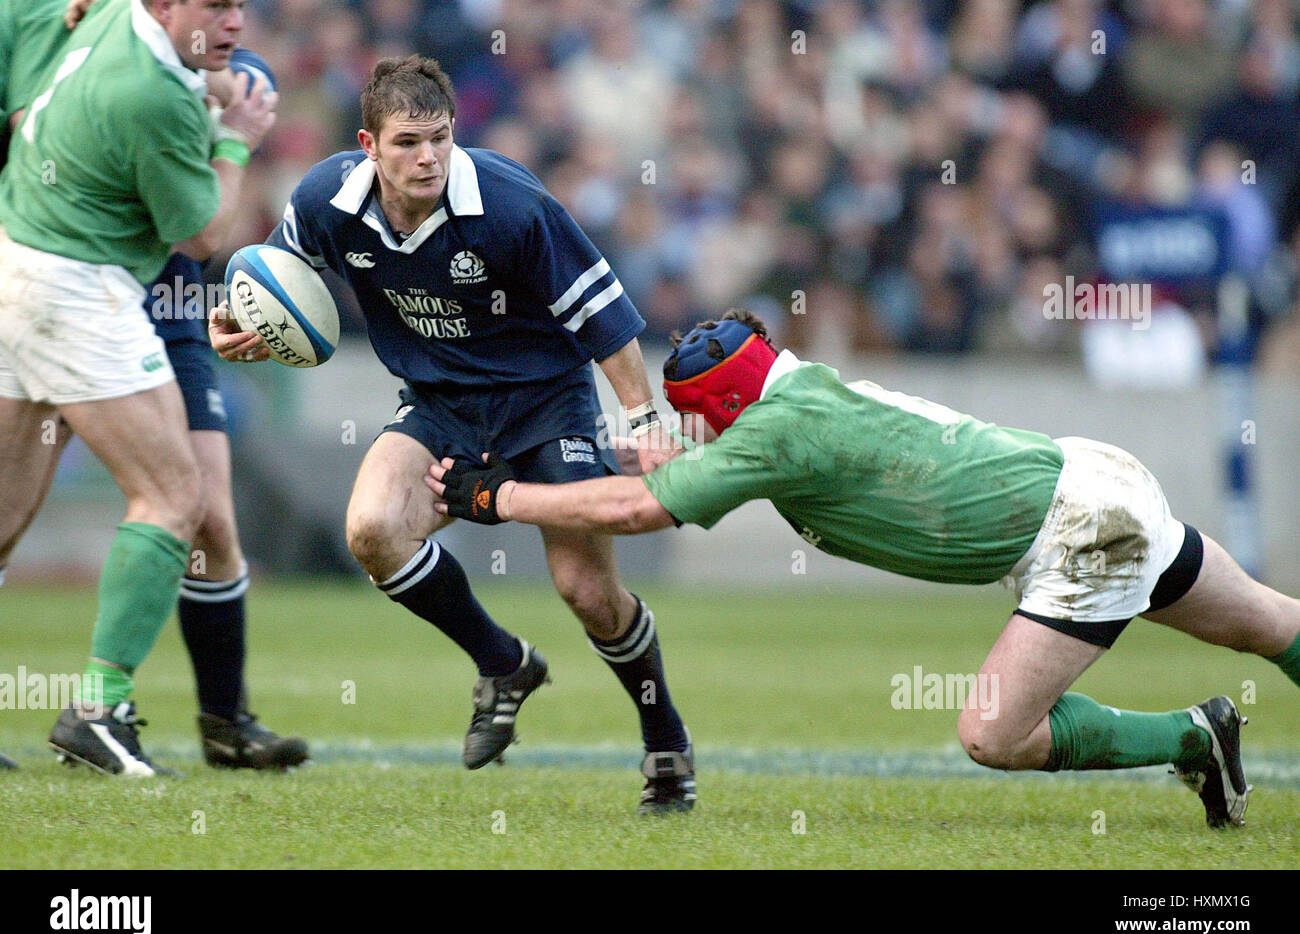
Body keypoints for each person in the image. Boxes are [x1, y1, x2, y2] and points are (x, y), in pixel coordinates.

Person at [430, 309, 1300, 829]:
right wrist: (647, 462)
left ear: (727, 407)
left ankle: (1193, 735)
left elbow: (637, 511)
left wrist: (497, 498)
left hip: (1076, 535)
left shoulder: (773, 434)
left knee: (992, 733)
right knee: (1269, 621)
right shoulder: (800, 387)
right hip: (1093, 478)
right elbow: (674, 481)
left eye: (702, 422)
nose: (701, 439)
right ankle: (1205, 736)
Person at [208, 55, 695, 812]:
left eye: (438, 138)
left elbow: (605, 314)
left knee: (587, 590)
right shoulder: (323, 200)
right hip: (439, 404)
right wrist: (245, 321)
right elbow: (280, 277)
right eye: (407, 142)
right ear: (368, 146)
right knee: (371, 529)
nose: (428, 156)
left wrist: (640, 419)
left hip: (547, 401)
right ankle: (503, 662)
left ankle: (666, 742)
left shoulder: (509, 203)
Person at [0, 6, 307, 770]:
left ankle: (214, 719)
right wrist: (235, 134)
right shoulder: (152, 94)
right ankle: (99, 711)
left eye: (239, 4)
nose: (234, 21)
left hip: (21, 263)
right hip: (81, 288)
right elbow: (203, 233)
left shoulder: (110, 15)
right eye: (214, 5)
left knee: (3, 515)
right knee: (175, 497)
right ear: (164, 7)